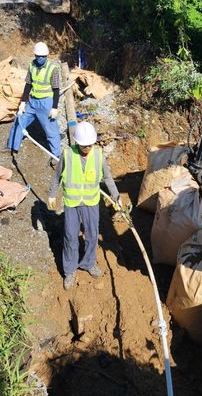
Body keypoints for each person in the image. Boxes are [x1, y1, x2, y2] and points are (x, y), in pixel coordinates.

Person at [48, 121, 122, 290]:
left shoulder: (98, 155)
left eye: (89, 145)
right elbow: (57, 176)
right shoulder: (67, 155)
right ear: (76, 142)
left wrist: (116, 196)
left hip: (90, 202)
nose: (86, 148)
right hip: (72, 203)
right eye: (83, 145)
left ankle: (88, 263)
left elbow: (108, 178)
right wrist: (52, 194)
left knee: (92, 235)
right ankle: (70, 270)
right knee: (70, 236)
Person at [7, 41, 61, 160]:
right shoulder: (32, 65)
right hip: (32, 102)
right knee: (19, 121)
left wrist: (54, 107)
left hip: (46, 103)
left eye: (43, 56)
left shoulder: (53, 69)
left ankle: (56, 155)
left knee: (51, 130)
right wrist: (23, 102)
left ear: (46, 56)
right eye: (38, 56)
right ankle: (12, 147)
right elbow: (28, 85)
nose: (40, 58)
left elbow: (56, 90)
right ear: (35, 56)